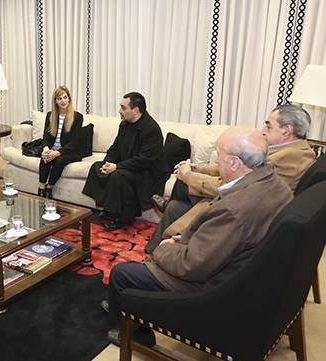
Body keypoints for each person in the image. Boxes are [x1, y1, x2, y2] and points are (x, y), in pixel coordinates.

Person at [102, 128, 293, 346]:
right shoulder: (276, 184)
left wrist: (165, 247)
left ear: (234, 163)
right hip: (240, 270)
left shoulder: (234, 209)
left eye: (219, 156)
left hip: (211, 289)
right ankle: (121, 303)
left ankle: (133, 333)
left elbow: (191, 266)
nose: (217, 162)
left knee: (122, 274)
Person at [145, 104, 315, 253]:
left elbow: (232, 182)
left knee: (182, 186)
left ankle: (158, 255)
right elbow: (236, 169)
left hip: (241, 209)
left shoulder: (286, 157)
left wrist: (188, 175)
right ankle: (155, 253)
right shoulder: (288, 150)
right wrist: (198, 167)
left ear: (286, 131)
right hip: (242, 201)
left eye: (268, 126)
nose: (263, 131)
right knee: (175, 206)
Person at [82, 92, 169, 231]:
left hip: (148, 172)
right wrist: (107, 163)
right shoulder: (124, 125)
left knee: (118, 175)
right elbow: (115, 148)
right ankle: (107, 209)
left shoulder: (151, 129)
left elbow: (144, 160)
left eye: (123, 108)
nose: (119, 111)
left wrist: (116, 167)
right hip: (128, 165)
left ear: (135, 110)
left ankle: (122, 217)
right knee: (96, 167)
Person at [38, 86, 83, 198]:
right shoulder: (50, 115)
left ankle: (50, 187)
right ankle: (41, 187)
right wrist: (46, 149)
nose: (63, 101)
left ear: (69, 99)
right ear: (55, 101)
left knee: (59, 160)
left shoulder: (77, 117)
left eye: (65, 97)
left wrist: (57, 153)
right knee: (45, 157)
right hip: (53, 149)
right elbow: (46, 137)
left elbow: (74, 143)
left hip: (71, 151)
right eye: (59, 98)